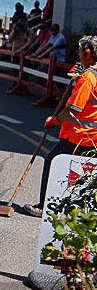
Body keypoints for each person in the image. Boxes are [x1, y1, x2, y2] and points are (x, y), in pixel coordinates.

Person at [24, 36, 97, 217]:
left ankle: (44, 206)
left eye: (80, 52)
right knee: (84, 174)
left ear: (87, 54)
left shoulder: (88, 78)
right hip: (92, 138)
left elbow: (73, 109)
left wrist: (55, 120)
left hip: (80, 136)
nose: (78, 55)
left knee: (53, 161)